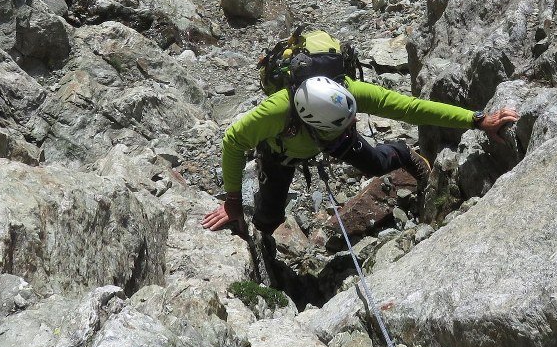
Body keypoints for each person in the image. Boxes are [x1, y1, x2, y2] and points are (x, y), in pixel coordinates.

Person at [200, 74, 519, 237]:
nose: (355, 123)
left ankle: (404, 154)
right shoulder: (275, 113)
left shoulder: (347, 91)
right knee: (267, 218)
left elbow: (409, 108)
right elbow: (233, 142)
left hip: (327, 137)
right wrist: (231, 201)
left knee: (377, 164)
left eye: (352, 117)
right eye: (347, 122)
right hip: (281, 152)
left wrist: (476, 119)